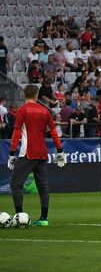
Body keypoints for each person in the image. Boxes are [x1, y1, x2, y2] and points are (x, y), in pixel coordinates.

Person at [8, 84, 65, 227]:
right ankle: (44, 218)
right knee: (43, 186)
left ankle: (19, 216)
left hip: (28, 152)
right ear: (36, 95)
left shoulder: (22, 110)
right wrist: (60, 151)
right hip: (42, 153)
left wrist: (11, 153)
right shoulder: (45, 111)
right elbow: (53, 132)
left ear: (25, 95)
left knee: (15, 184)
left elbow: (16, 133)